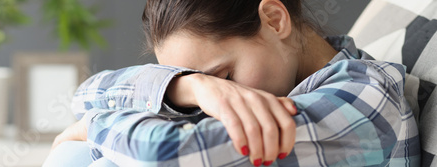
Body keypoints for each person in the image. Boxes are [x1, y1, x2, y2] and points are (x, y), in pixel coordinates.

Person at [45, 0, 420, 166]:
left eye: (224, 76)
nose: (220, 98)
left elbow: (162, 156)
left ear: (274, 19)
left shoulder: (365, 96)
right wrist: (190, 88)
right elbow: (86, 95)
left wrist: (93, 128)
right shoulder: (226, 90)